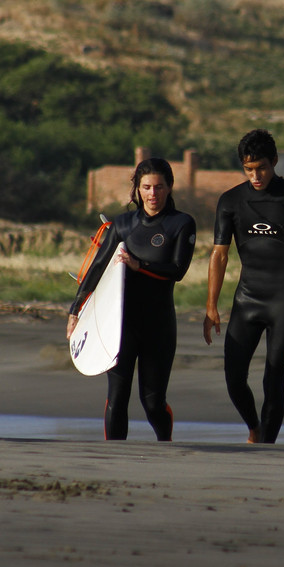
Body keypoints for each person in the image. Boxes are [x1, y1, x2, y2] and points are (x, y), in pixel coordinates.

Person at [203, 129, 284, 444]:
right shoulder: (231, 201)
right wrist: (211, 305)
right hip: (248, 298)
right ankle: (254, 428)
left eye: (261, 168)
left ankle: (266, 450)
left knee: (274, 379)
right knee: (234, 378)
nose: (256, 176)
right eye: (249, 169)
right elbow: (219, 255)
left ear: (274, 161)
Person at [66, 158, 196, 441]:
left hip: (158, 326)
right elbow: (97, 268)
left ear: (169, 187)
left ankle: (165, 445)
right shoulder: (123, 225)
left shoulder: (181, 224)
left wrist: (140, 265)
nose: (152, 194)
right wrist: (75, 310)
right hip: (120, 326)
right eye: (146, 187)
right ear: (137, 188)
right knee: (117, 397)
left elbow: (178, 270)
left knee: (153, 403)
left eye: (159, 187)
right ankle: (114, 457)